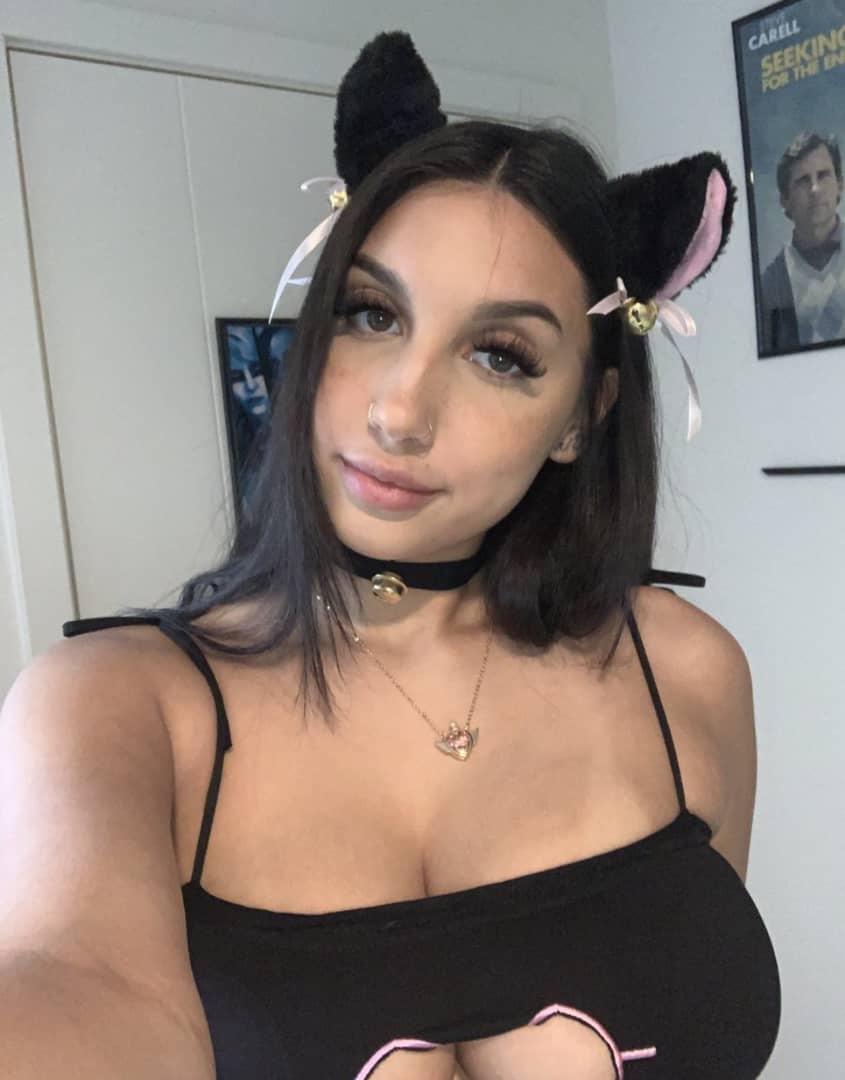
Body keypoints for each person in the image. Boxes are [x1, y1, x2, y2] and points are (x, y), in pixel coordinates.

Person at [1, 31, 780, 1080]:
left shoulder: (682, 668)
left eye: (499, 356)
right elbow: (77, 981)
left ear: (579, 416)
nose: (399, 412)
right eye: (371, 314)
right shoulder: (113, 707)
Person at [760, 130, 845, 353]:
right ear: (785, 200)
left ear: (840, 185)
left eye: (823, 175)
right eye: (802, 181)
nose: (815, 189)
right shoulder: (770, 286)